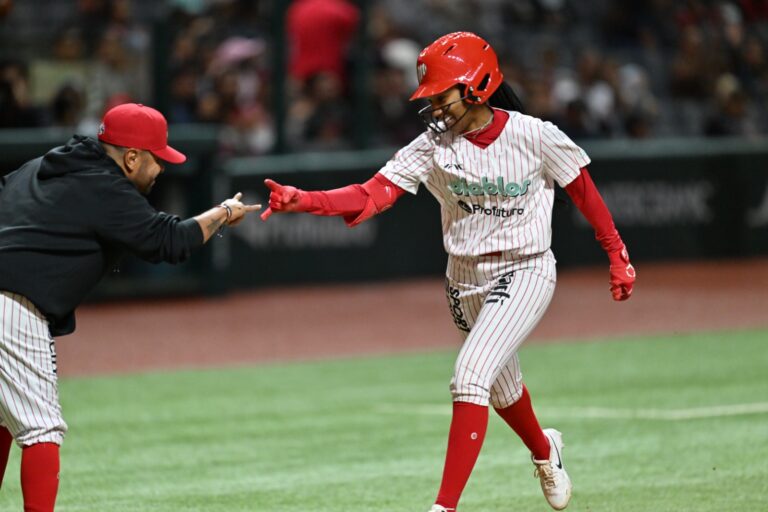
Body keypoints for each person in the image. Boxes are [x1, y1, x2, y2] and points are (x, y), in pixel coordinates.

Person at [261, 32, 636, 511]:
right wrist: (306, 200)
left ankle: (444, 508)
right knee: (504, 388)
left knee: (469, 376)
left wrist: (617, 253)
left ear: (476, 84)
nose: (435, 106)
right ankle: (546, 450)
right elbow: (371, 193)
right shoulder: (433, 145)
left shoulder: (534, 135)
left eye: (442, 94)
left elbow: (583, 191)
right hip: (463, 283)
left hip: (525, 270)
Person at [0, 102, 260, 511]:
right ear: (133, 157)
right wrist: (224, 213)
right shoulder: (105, 187)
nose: (161, 169)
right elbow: (169, 241)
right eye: (158, 159)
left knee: (4, 417)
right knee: (41, 429)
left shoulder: (41, 167)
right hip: (12, 305)